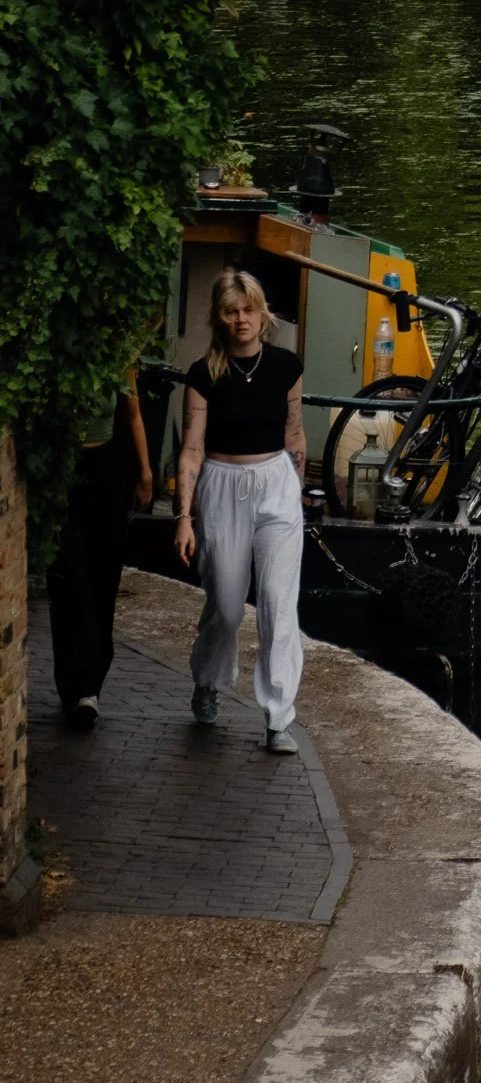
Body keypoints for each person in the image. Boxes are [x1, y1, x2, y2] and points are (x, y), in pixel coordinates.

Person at [175, 269, 308, 756]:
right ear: (220, 317)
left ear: (262, 312)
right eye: (232, 311)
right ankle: (208, 681)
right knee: (227, 607)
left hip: (276, 486)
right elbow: (191, 450)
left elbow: (294, 435)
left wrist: (296, 490)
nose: (242, 319)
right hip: (222, 486)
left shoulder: (285, 367)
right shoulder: (203, 374)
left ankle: (278, 716)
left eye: (249, 309)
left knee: (277, 604)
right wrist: (184, 516)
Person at [46, 367, 153, 727]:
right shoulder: (60, 350)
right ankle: (75, 685)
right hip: (62, 469)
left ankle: (91, 685)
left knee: (104, 576)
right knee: (69, 576)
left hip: (106, 467)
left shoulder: (118, 355)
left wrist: (145, 473)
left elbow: (133, 413)